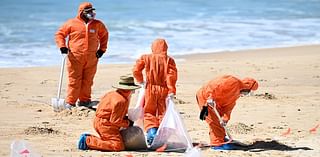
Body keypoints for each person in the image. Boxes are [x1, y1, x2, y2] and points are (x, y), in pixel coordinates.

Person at [55, 2, 108, 109]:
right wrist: (62, 47)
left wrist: (102, 50)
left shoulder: (98, 24)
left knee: (88, 80)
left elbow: (104, 36)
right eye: (88, 11)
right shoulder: (71, 23)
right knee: (74, 80)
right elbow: (60, 34)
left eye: (92, 11)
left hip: (92, 57)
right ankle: (71, 102)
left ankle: (84, 101)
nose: (91, 13)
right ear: (81, 12)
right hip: (75, 57)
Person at [132, 38, 178, 145]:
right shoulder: (169, 60)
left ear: (152, 47)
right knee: (162, 112)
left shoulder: (146, 58)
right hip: (163, 89)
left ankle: (152, 132)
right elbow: (171, 76)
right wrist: (171, 90)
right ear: (165, 48)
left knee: (149, 112)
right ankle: (161, 134)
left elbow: (136, 70)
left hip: (150, 88)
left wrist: (141, 81)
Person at [78, 76, 140, 151]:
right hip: (105, 125)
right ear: (127, 90)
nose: (132, 93)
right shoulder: (121, 101)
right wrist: (128, 123)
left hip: (98, 121)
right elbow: (115, 121)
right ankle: (87, 140)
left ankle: (90, 139)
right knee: (117, 145)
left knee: (110, 140)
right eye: (132, 91)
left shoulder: (111, 94)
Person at [196, 75, 258, 150]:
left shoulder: (237, 93)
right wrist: (210, 96)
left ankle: (221, 138)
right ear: (247, 87)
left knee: (220, 122)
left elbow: (228, 107)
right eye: (248, 92)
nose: (246, 95)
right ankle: (217, 143)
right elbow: (215, 85)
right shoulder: (232, 81)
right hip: (205, 97)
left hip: (217, 102)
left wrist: (225, 118)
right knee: (214, 122)